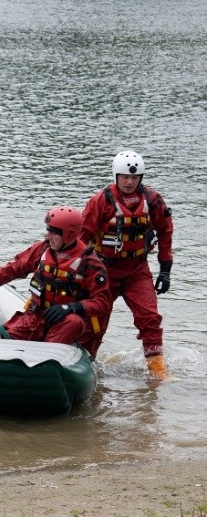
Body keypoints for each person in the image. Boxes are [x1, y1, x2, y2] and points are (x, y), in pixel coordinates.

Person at [0, 206, 110, 351]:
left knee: (73, 322)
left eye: (53, 232)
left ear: (68, 235)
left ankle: (51, 356)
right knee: (4, 340)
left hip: (67, 321)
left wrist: (70, 308)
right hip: (37, 316)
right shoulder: (43, 249)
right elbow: (13, 268)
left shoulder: (89, 262)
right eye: (47, 230)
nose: (48, 236)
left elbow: (102, 302)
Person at [81, 150, 173, 378]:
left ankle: (158, 371)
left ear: (141, 178)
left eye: (134, 177)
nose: (130, 182)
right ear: (116, 176)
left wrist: (165, 270)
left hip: (137, 270)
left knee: (149, 317)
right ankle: (85, 364)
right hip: (104, 270)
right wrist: (76, 272)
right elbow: (82, 238)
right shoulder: (100, 201)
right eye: (125, 177)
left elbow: (165, 232)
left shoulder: (152, 201)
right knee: (94, 322)